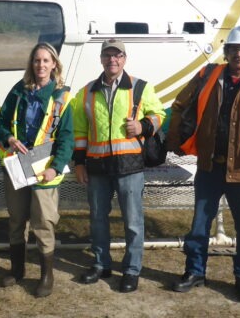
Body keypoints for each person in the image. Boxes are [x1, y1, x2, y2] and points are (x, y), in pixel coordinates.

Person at [165, 25, 240, 302]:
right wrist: (176, 139)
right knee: (199, 225)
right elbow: (181, 104)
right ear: (226, 52)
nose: (239, 54)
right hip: (209, 167)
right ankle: (195, 272)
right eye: (234, 49)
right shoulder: (207, 75)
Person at [71, 39, 165, 293]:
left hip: (129, 167)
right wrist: (79, 163)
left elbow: (159, 115)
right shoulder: (86, 92)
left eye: (118, 55)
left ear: (125, 58)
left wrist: (143, 126)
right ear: (101, 59)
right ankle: (102, 264)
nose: (112, 60)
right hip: (97, 167)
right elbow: (79, 131)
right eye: (108, 55)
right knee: (98, 219)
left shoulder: (141, 87)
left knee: (133, 222)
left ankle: (132, 270)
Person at [0, 42, 74, 298]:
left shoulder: (62, 96)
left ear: (54, 65)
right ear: (32, 63)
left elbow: (67, 138)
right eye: (36, 60)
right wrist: (8, 139)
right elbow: (3, 123)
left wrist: (54, 168)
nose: (41, 65)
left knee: (43, 223)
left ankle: (46, 275)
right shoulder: (19, 91)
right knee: (17, 219)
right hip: (18, 166)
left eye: (46, 61)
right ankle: (17, 270)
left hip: (44, 171)